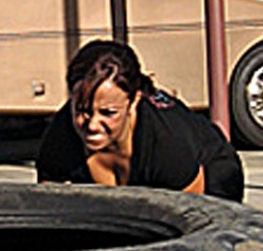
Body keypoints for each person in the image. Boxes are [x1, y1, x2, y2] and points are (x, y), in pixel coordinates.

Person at [35, 40, 244, 201]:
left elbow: (190, 218)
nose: (92, 125)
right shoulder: (59, 136)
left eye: (108, 113)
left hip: (210, 178)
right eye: (82, 110)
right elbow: (48, 209)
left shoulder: (168, 145)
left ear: (133, 101)